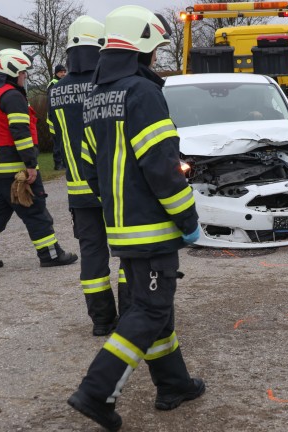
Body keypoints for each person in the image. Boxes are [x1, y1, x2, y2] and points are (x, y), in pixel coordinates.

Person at [67, 6, 205, 430]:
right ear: (143, 46)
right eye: (157, 49)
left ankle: (173, 384)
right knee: (148, 310)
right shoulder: (142, 93)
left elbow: (90, 169)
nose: (158, 59)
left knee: (154, 307)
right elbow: (162, 166)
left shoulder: (96, 95)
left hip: (122, 229)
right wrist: (188, 218)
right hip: (153, 229)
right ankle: (95, 393)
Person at [47, 16, 129, 336]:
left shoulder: (56, 92)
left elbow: (56, 134)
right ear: (100, 46)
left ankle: (101, 321)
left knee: (92, 256)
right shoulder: (106, 86)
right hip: (111, 187)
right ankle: (131, 315)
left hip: (78, 191)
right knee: (126, 251)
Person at [0, 49, 78, 270]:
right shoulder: (13, 96)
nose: (25, 76)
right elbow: (21, 133)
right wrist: (31, 165)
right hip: (15, 167)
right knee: (35, 209)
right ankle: (51, 254)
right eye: (23, 71)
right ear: (13, 70)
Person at [48, 64, 67, 170]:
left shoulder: (63, 83)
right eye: (61, 72)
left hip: (62, 117)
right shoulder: (53, 84)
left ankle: (64, 163)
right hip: (53, 118)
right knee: (57, 141)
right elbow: (51, 103)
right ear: (56, 73)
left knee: (63, 141)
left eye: (64, 72)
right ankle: (57, 164)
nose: (63, 74)